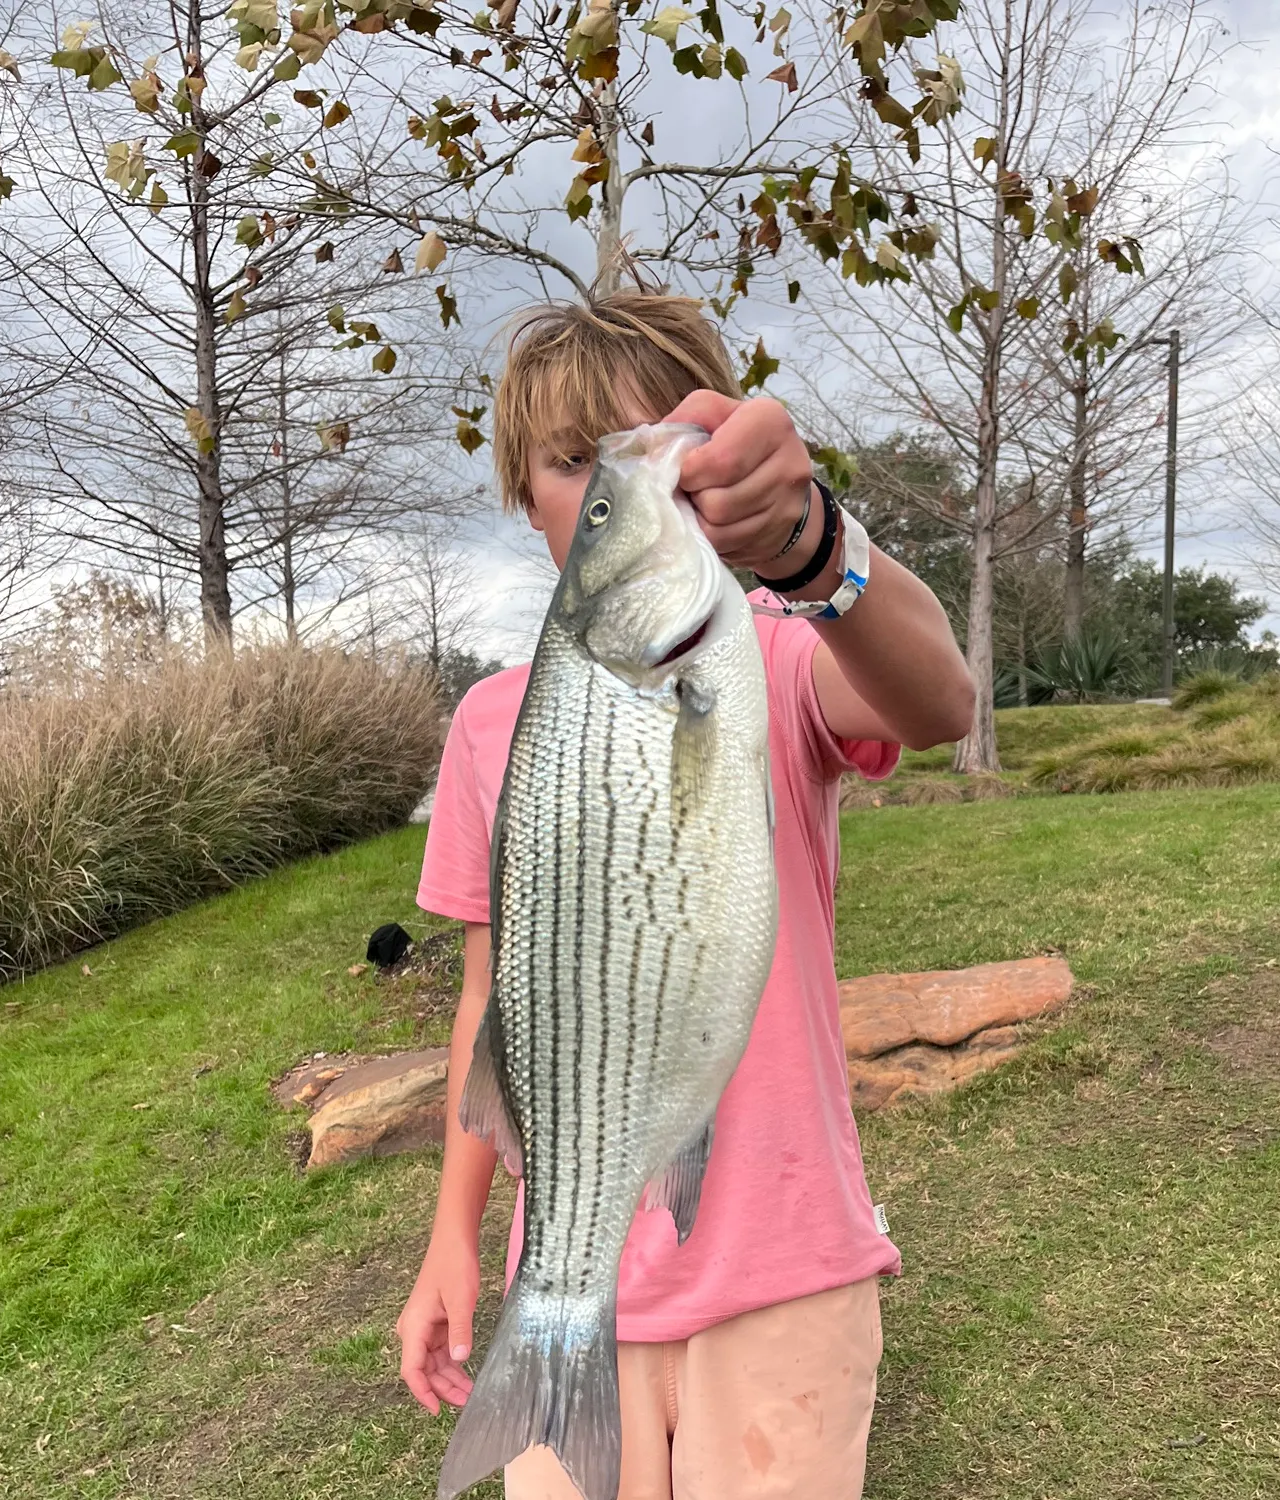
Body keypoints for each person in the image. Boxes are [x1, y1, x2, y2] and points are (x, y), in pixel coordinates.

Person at [399, 289, 975, 1500]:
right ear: (526, 497)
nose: (631, 478)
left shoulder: (778, 653)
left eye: (664, 439)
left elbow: (938, 704)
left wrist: (815, 544)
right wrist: (454, 1232)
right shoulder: (486, 727)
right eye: (578, 466)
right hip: (570, 1269)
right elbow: (489, 1000)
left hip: (786, 1267)